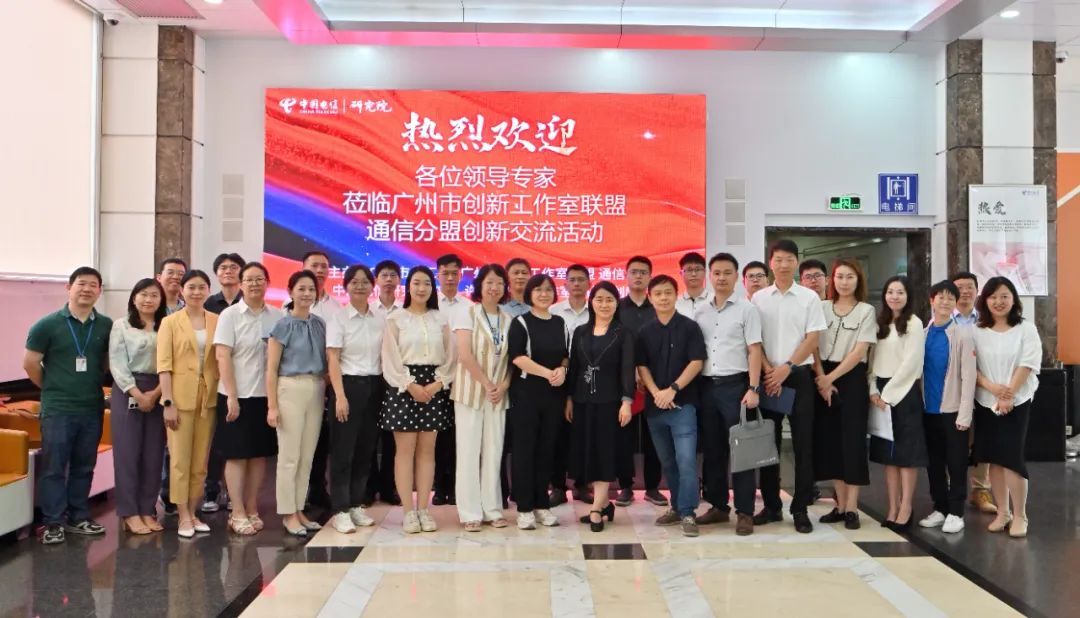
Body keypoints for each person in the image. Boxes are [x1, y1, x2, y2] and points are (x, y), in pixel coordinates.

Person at [24, 267, 114, 544]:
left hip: (92, 407)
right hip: (58, 409)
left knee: (84, 466)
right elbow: (30, 363)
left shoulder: (106, 326)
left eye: (93, 285)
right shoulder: (47, 325)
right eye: (81, 284)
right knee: (54, 467)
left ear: (100, 291)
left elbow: (106, 363)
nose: (86, 289)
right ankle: (53, 522)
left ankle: (78, 517)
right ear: (69, 288)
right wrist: (53, 388)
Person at [751, 239, 827, 534]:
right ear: (770, 263)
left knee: (803, 445)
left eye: (789, 259)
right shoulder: (759, 299)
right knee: (768, 445)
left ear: (797, 262)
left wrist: (787, 368)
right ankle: (771, 505)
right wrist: (769, 370)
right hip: (769, 377)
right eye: (778, 259)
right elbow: (754, 340)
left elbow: (812, 339)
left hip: (798, 377)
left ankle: (800, 508)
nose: (783, 265)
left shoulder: (809, 298)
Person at [380, 266, 454, 533]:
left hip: (433, 386)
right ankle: (408, 512)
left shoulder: (440, 319)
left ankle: (423, 509)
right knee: (404, 452)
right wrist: (409, 385)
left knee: (427, 452)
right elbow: (390, 358)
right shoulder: (396, 319)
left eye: (426, 283)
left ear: (432, 288)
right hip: (403, 387)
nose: (421, 288)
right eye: (416, 283)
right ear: (408, 287)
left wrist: (437, 384)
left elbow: (451, 357)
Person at [213, 262, 284, 536]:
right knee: (236, 455)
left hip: (264, 396)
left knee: (258, 455)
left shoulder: (277, 316)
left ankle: (252, 506)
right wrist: (232, 395)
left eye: (259, 279)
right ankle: (237, 511)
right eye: (249, 279)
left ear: (267, 283)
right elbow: (222, 356)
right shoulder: (230, 315)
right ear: (241, 284)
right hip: (236, 395)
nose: (254, 284)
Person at [694, 253, 763, 536]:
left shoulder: (747, 310)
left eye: (727, 273)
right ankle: (718, 506)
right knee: (712, 451)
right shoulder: (700, 310)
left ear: (737, 277)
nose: (721, 278)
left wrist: (753, 388)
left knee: (741, 451)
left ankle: (745, 511)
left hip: (736, 387)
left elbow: (754, 350)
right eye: (717, 273)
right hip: (706, 387)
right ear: (710, 276)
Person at [636, 275, 707, 537]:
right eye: (658, 294)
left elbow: (697, 361)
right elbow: (641, 366)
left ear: (676, 295)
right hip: (655, 407)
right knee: (668, 462)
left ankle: (688, 512)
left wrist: (673, 389)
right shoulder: (644, 332)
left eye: (668, 292)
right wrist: (656, 392)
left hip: (683, 405)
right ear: (650, 297)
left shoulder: (690, 327)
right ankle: (677, 506)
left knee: (686, 460)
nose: (663, 298)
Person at [972, 277, 1042, 538]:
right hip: (986, 401)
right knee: (994, 459)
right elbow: (971, 368)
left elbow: (1028, 363)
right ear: (985, 300)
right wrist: (993, 389)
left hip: (1017, 401)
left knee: (1012, 459)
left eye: (1004, 296)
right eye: (993, 297)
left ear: (1013, 299)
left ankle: (1020, 515)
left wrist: (1008, 393)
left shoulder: (1026, 329)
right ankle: (1003, 512)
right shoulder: (977, 330)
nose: (998, 302)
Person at [812, 258, 876, 530]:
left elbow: (859, 351)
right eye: (839, 276)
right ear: (832, 280)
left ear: (858, 280)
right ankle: (839, 505)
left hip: (850, 379)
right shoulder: (821, 307)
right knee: (830, 442)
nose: (844, 282)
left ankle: (852, 507)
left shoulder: (866, 311)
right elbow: (812, 345)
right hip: (821, 376)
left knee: (852, 442)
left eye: (850, 277)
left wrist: (830, 379)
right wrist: (821, 378)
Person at [566, 282, 635, 532]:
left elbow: (627, 369)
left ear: (617, 304)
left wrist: (626, 402)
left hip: (610, 402)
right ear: (591, 302)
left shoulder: (623, 333)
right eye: (599, 299)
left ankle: (596, 508)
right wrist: (569, 398)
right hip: (583, 402)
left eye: (609, 300)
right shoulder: (580, 332)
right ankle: (605, 504)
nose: (604, 304)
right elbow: (574, 367)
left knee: (604, 453)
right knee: (589, 454)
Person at [157, 270, 219, 538]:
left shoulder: (217, 320)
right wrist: (167, 401)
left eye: (201, 287)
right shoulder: (170, 322)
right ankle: (182, 515)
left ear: (208, 290)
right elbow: (164, 365)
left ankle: (193, 512)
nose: (196, 292)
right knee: (180, 460)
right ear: (182, 290)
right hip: (180, 399)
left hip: (209, 398)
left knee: (201, 461)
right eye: (191, 287)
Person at [451, 264, 513, 531]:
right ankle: (469, 512)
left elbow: (512, 360)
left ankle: (492, 509)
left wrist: (503, 386)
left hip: (498, 395)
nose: (494, 287)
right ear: (480, 286)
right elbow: (464, 355)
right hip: (471, 392)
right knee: (468, 452)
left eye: (499, 282)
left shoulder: (508, 319)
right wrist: (487, 384)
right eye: (489, 282)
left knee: (494, 452)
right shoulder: (467, 312)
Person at [266, 270, 327, 537]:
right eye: (301, 289)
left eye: (311, 289)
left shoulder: (320, 324)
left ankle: (300, 509)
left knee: (306, 455)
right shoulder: (282, 326)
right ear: (290, 292)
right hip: (289, 388)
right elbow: (271, 369)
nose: (306, 294)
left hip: (316, 387)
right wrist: (272, 405)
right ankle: (288, 513)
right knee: (289, 456)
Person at [325, 264, 384, 533]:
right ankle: (340, 509)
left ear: (372, 286)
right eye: (354, 281)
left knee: (365, 449)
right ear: (346, 286)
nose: (360, 286)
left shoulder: (379, 318)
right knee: (343, 450)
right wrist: (339, 396)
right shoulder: (338, 318)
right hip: (348, 386)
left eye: (365, 281)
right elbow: (333, 359)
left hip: (375, 386)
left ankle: (356, 504)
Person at [508, 274, 568, 529]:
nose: (544, 294)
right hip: (526, 394)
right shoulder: (520, 322)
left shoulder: (560, 322)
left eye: (548, 290)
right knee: (525, 451)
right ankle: (524, 508)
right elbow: (517, 357)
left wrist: (563, 369)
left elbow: (565, 355)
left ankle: (542, 505)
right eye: (538, 290)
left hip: (553, 396)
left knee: (547, 449)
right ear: (529, 294)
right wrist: (547, 373)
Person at [109, 279, 168, 535]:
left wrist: (155, 394)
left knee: (154, 455)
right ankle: (129, 512)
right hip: (127, 390)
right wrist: (137, 394)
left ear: (161, 300)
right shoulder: (121, 325)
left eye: (154, 295)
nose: (148, 300)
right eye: (143, 294)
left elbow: (173, 362)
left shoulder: (167, 325)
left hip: (160, 389)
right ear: (134, 298)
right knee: (127, 453)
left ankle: (147, 509)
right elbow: (117, 363)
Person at [868, 276, 927, 532]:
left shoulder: (914, 323)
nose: (894, 296)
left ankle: (906, 508)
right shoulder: (879, 324)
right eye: (890, 292)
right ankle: (892, 507)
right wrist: (873, 389)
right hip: (879, 392)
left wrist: (888, 395)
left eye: (900, 292)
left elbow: (911, 364)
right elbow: (872, 361)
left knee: (906, 456)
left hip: (903, 392)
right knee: (888, 456)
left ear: (908, 296)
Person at [918, 280, 976, 535]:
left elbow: (969, 377)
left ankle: (956, 511)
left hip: (953, 411)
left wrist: (965, 415)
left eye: (950, 298)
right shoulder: (923, 334)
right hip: (927, 410)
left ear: (955, 303)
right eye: (940, 297)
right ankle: (940, 507)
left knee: (956, 463)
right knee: (933, 463)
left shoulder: (962, 334)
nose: (945, 301)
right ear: (932, 300)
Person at [616, 256, 666, 508]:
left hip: (653, 383)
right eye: (634, 272)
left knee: (653, 436)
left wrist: (646, 375)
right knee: (623, 436)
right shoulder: (616, 307)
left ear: (650, 277)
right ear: (626, 275)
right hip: (622, 382)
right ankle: (625, 486)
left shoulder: (658, 307)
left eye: (643, 272)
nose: (638, 276)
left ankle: (653, 487)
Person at [201, 252, 245, 515]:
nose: (228, 271)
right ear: (217, 273)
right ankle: (211, 489)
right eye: (223, 267)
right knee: (215, 438)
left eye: (234, 267)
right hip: (213, 381)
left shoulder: (249, 302)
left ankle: (233, 491)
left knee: (236, 440)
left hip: (244, 382)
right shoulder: (207, 304)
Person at [550, 264, 596, 506]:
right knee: (557, 435)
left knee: (585, 433)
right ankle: (557, 487)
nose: (576, 283)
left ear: (589, 283)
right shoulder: (554, 311)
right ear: (565, 284)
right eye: (572, 280)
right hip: (556, 378)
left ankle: (582, 485)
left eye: (581, 279)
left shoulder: (596, 311)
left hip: (587, 379)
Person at [953, 271, 997, 515]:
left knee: (983, 439)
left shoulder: (988, 320)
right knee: (955, 440)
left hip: (985, 388)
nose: (965, 291)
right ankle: (952, 489)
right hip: (955, 390)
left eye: (970, 286)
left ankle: (981, 490)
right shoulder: (942, 318)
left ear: (977, 290)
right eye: (960, 287)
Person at [302, 250, 343, 513]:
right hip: (300, 382)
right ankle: (299, 493)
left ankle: (318, 488)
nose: (319, 270)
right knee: (301, 440)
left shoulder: (335, 307)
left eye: (324, 266)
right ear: (303, 267)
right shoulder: (289, 306)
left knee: (322, 440)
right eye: (314, 265)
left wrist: (330, 377)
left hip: (328, 382)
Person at [434, 253, 471, 506]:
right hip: (434, 379)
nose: (449, 278)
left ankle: (458, 488)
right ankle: (439, 487)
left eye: (454, 273)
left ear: (460, 275)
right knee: (437, 437)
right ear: (438, 275)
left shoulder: (469, 306)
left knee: (460, 436)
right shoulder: (429, 304)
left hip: (462, 379)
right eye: (445, 273)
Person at [366, 259, 403, 507]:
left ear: (399, 280)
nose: (389, 280)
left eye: (393, 275)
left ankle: (389, 488)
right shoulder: (368, 310)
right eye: (384, 275)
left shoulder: (405, 311)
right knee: (370, 435)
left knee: (392, 437)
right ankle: (369, 488)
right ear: (376, 280)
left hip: (396, 381)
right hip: (372, 376)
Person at [156, 258, 186, 515]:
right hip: (151, 383)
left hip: (181, 385)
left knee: (174, 446)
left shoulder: (190, 310)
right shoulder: (150, 307)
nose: (175, 277)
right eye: (171, 272)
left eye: (180, 274)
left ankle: (171, 495)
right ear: (159, 277)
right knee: (153, 445)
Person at [675, 252, 712, 318]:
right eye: (689, 270)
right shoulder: (674, 304)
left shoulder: (716, 300)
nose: (694, 274)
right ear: (681, 273)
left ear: (705, 272)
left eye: (698, 269)